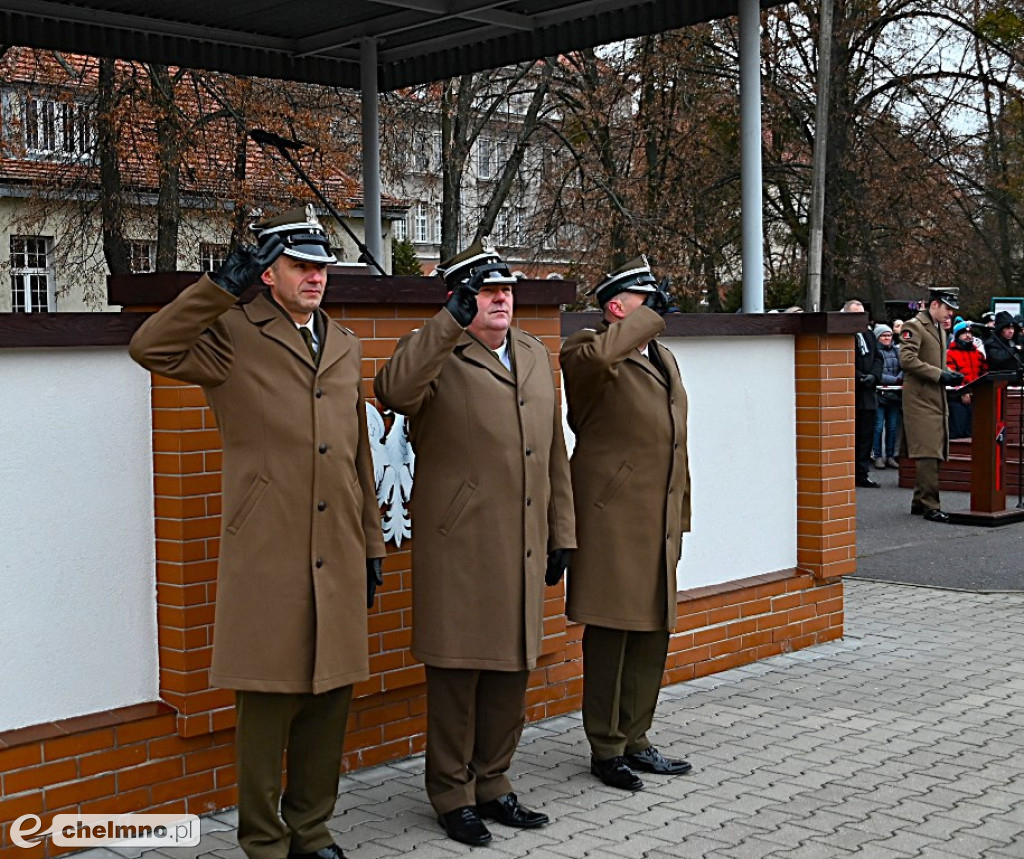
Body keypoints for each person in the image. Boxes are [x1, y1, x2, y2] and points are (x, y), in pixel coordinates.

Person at [129, 207, 386, 859]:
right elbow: (150, 346)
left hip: (340, 547)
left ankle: (312, 828)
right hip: (268, 547)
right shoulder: (232, 334)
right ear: (268, 272)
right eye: (300, 266)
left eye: (321, 267)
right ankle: (264, 838)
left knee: (330, 698)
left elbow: (356, 452)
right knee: (268, 704)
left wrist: (373, 542)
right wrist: (219, 287)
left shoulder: (345, 343)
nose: (315, 278)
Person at [374, 241, 575, 847]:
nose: (501, 299)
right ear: (461, 297)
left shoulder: (538, 355)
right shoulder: (437, 351)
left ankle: (494, 782)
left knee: (513, 669)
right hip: (460, 544)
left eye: (507, 290)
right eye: (487, 291)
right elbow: (395, 391)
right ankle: (452, 794)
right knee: (459, 675)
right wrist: (447, 324)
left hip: (522, 544)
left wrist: (561, 532)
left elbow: (553, 454)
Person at [559, 256, 692, 792]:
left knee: (653, 628)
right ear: (617, 307)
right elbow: (598, 360)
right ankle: (606, 746)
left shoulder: (660, 356)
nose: (656, 306)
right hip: (612, 516)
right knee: (612, 630)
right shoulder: (587, 350)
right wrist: (642, 322)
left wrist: (680, 508)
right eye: (645, 298)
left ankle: (637, 737)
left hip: (658, 514)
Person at [898, 287, 964, 522]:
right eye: (947, 309)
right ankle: (930, 505)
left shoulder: (939, 329)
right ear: (934, 304)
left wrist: (949, 373)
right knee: (927, 451)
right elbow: (907, 360)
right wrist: (940, 375)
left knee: (935, 450)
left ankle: (919, 501)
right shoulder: (914, 326)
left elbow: (932, 360)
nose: (950, 314)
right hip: (920, 399)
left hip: (934, 397)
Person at [842, 300, 883, 487]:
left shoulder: (869, 335)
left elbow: (877, 357)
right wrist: (858, 377)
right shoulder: (842, 335)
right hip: (852, 393)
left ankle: (862, 472)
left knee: (867, 435)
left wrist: (874, 376)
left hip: (869, 394)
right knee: (851, 436)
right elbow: (842, 360)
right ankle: (847, 473)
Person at [946, 320, 987, 440]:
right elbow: (952, 375)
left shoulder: (978, 354)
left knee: (974, 432)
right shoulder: (950, 354)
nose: (968, 336)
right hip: (957, 398)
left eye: (970, 333)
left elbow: (984, 373)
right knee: (958, 432)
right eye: (964, 333)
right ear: (957, 336)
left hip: (977, 397)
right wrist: (964, 392)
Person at [872, 323, 903, 469]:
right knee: (878, 427)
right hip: (879, 395)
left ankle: (890, 456)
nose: (887, 338)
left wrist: (899, 379)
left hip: (895, 395)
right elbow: (877, 373)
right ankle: (877, 456)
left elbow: (904, 367)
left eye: (889, 335)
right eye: (883, 335)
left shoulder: (897, 351)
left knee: (892, 427)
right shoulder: (874, 353)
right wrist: (894, 380)